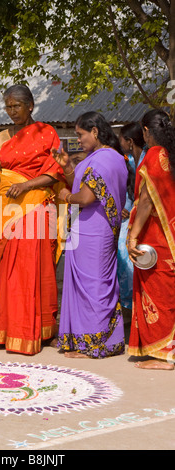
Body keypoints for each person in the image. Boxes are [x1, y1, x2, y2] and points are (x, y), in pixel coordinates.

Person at [0, 84, 66, 355]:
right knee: (7, 271)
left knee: (34, 269)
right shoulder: (2, 138)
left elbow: (55, 172)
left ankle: (40, 330)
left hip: (36, 207)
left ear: (30, 105)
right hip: (6, 209)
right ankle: (7, 330)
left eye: (16, 105)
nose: (11, 111)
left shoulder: (47, 133)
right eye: (7, 106)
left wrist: (28, 185)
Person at [53, 111, 128, 358]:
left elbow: (85, 197)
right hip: (100, 229)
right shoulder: (113, 158)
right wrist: (66, 167)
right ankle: (96, 340)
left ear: (95, 131)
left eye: (80, 135)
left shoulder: (100, 160)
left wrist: (66, 197)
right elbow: (83, 184)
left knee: (91, 286)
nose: (78, 140)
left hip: (92, 231)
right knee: (98, 284)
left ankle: (94, 344)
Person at [127, 109, 175, 370]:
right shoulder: (171, 155)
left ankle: (165, 356)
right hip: (171, 235)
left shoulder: (155, 156)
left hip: (157, 237)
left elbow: (146, 200)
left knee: (159, 295)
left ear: (145, 131)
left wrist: (133, 235)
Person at [117, 123, 146, 315]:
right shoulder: (127, 159)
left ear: (129, 141)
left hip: (145, 206)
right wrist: (124, 208)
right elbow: (127, 187)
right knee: (122, 247)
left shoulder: (147, 158)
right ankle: (130, 301)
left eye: (121, 139)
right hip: (132, 204)